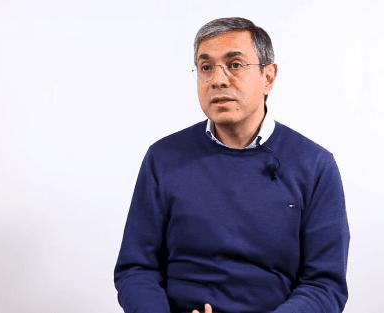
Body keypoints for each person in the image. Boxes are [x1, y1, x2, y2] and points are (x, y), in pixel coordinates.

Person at [113, 17, 350, 313]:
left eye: (235, 65)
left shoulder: (314, 165)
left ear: (268, 77)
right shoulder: (163, 158)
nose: (218, 79)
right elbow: (136, 268)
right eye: (206, 67)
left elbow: (324, 284)